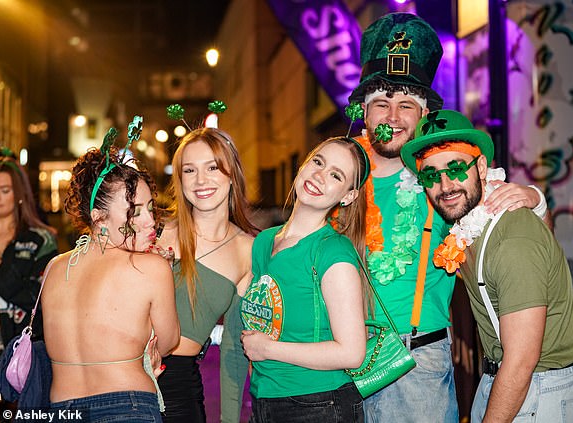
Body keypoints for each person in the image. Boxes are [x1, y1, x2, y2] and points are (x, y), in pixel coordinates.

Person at [347, 12, 548, 422]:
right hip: (338, 361)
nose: (393, 117)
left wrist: (534, 199)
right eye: (381, 103)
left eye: (406, 104)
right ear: (363, 112)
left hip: (415, 366)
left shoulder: (442, 176)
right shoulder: (338, 175)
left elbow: (527, 239)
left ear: (423, 115)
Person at [401, 109, 573, 422]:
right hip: (503, 378)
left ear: (483, 167)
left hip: (536, 387)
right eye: (431, 174)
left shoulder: (511, 240)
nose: (445, 185)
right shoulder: (468, 223)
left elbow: (521, 361)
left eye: (457, 168)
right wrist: (540, 204)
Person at [41, 126, 180, 422]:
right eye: (135, 212)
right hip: (128, 407)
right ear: (98, 217)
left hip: (60, 411)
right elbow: (168, 343)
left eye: (151, 208)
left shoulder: (54, 268)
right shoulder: (151, 268)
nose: (150, 222)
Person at [240, 136, 370, 423]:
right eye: (318, 162)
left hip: (319, 404)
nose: (320, 176)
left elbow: (352, 353)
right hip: (264, 400)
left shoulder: (333, 251)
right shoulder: (263, 242)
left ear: (348, 196)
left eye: (336, 175)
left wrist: (267, 349)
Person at [156, 127, 257, 423]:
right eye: (190, 170)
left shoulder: (247, 250)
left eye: (212, 167)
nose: (201, 180)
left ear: (231, 173)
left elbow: (234, 350)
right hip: (123, 379)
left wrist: (229, 420)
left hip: (179, 389)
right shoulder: (155, 230)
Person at [0, 148, 57, 353]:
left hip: (21, 353)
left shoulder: (39, 240)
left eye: (5, 190)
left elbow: (41, 300)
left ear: (19, 193)